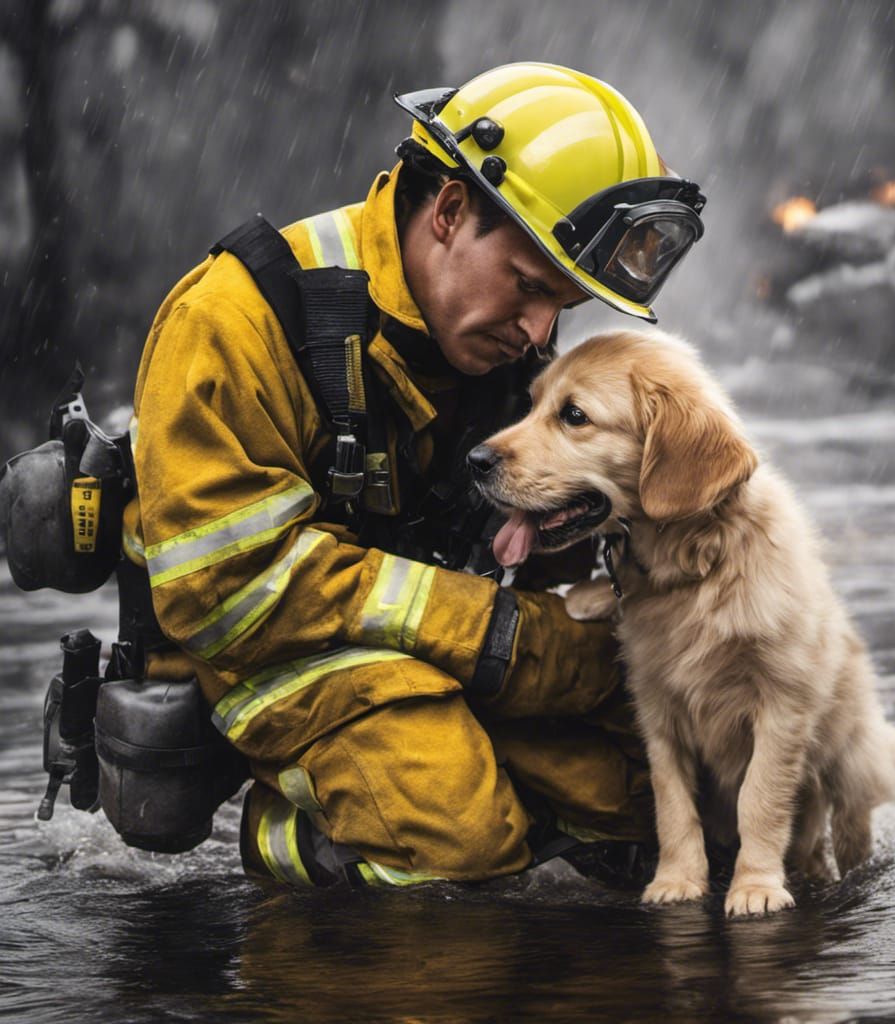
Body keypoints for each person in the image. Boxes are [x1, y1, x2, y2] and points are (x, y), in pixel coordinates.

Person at [122, 62, 706, 886]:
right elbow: (225, 594)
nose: (540, 333)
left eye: (564, 307)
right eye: (529, 287)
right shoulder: (233, 319)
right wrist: (502, 638)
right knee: (458, 843)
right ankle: (291, 838)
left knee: (664, 803)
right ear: (450, 210)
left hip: (428, 647)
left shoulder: (492, 342)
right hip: (264, 655)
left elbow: (547, 561)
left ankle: (484, 804)